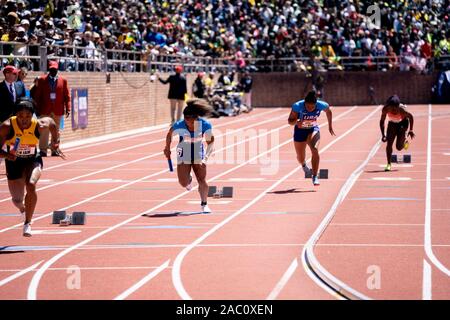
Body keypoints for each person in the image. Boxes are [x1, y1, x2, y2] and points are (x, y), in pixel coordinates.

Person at [0, 98, 63, 237]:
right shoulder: (7, 126)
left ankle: (27, 223)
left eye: (28, 116)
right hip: (13, 162)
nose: (24, 119)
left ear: (32, 116)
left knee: (31, 184)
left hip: (32, 160)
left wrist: (55, 142)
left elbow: (52, 123)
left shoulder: (38, 125)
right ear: (16, 115)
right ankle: (23, 209)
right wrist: (7, 155)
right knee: (16, 200)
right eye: (21, 116)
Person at [163, 99, 215, 213]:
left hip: (198, 152)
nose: (190, 125)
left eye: (192, 123)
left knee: (202, 179)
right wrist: (167, 148)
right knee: (183, 183)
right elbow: (169, 135)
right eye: (187, 122)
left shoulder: (205, 125)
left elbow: (210, 143)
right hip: (184, 152)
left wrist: (205, 159)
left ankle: (204, 204)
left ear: (197, 118)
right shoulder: (179, 124)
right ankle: (189, 179)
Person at [288, 90, 335, 186]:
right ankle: (304, 165)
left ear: (316, 104)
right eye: (308, 106)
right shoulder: (297, 106)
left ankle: (314, 176)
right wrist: (297, 122)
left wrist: (330, 125)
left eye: (312, 107)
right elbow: (290, 121)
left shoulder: (322, 105)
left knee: (315, 150)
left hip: (313, 129)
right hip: (300, 131)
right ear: (304, 103)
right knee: (301, 158)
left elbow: (329, 112)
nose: (310, 109)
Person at [33, 60, 71, 157]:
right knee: (44, 130)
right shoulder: (42, 80)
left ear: (57, 69)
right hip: (45, 109)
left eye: (55, 69)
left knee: (56, 130)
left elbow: (67, 96)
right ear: (48, 70)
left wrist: (68, 108)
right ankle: (43, 150)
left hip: (58, 110)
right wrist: (36, 108)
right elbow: (38, 95)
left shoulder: (63, 80)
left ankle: (55, 149)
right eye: (51, 69)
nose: (53, 71)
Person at [379, 95, 415, 172]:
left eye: (395, 109)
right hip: (392, 124)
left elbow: (411, 117)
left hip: (402, 124)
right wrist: (383, 135)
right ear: (388, 106)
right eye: (391, 109)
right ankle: (388, 164)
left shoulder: (402, 110)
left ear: (398, 107)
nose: (393, 111)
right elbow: (382, 121)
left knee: (399, 147)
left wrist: (411, 130)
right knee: (389, 144)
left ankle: (404, 141)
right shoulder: (385, 109)